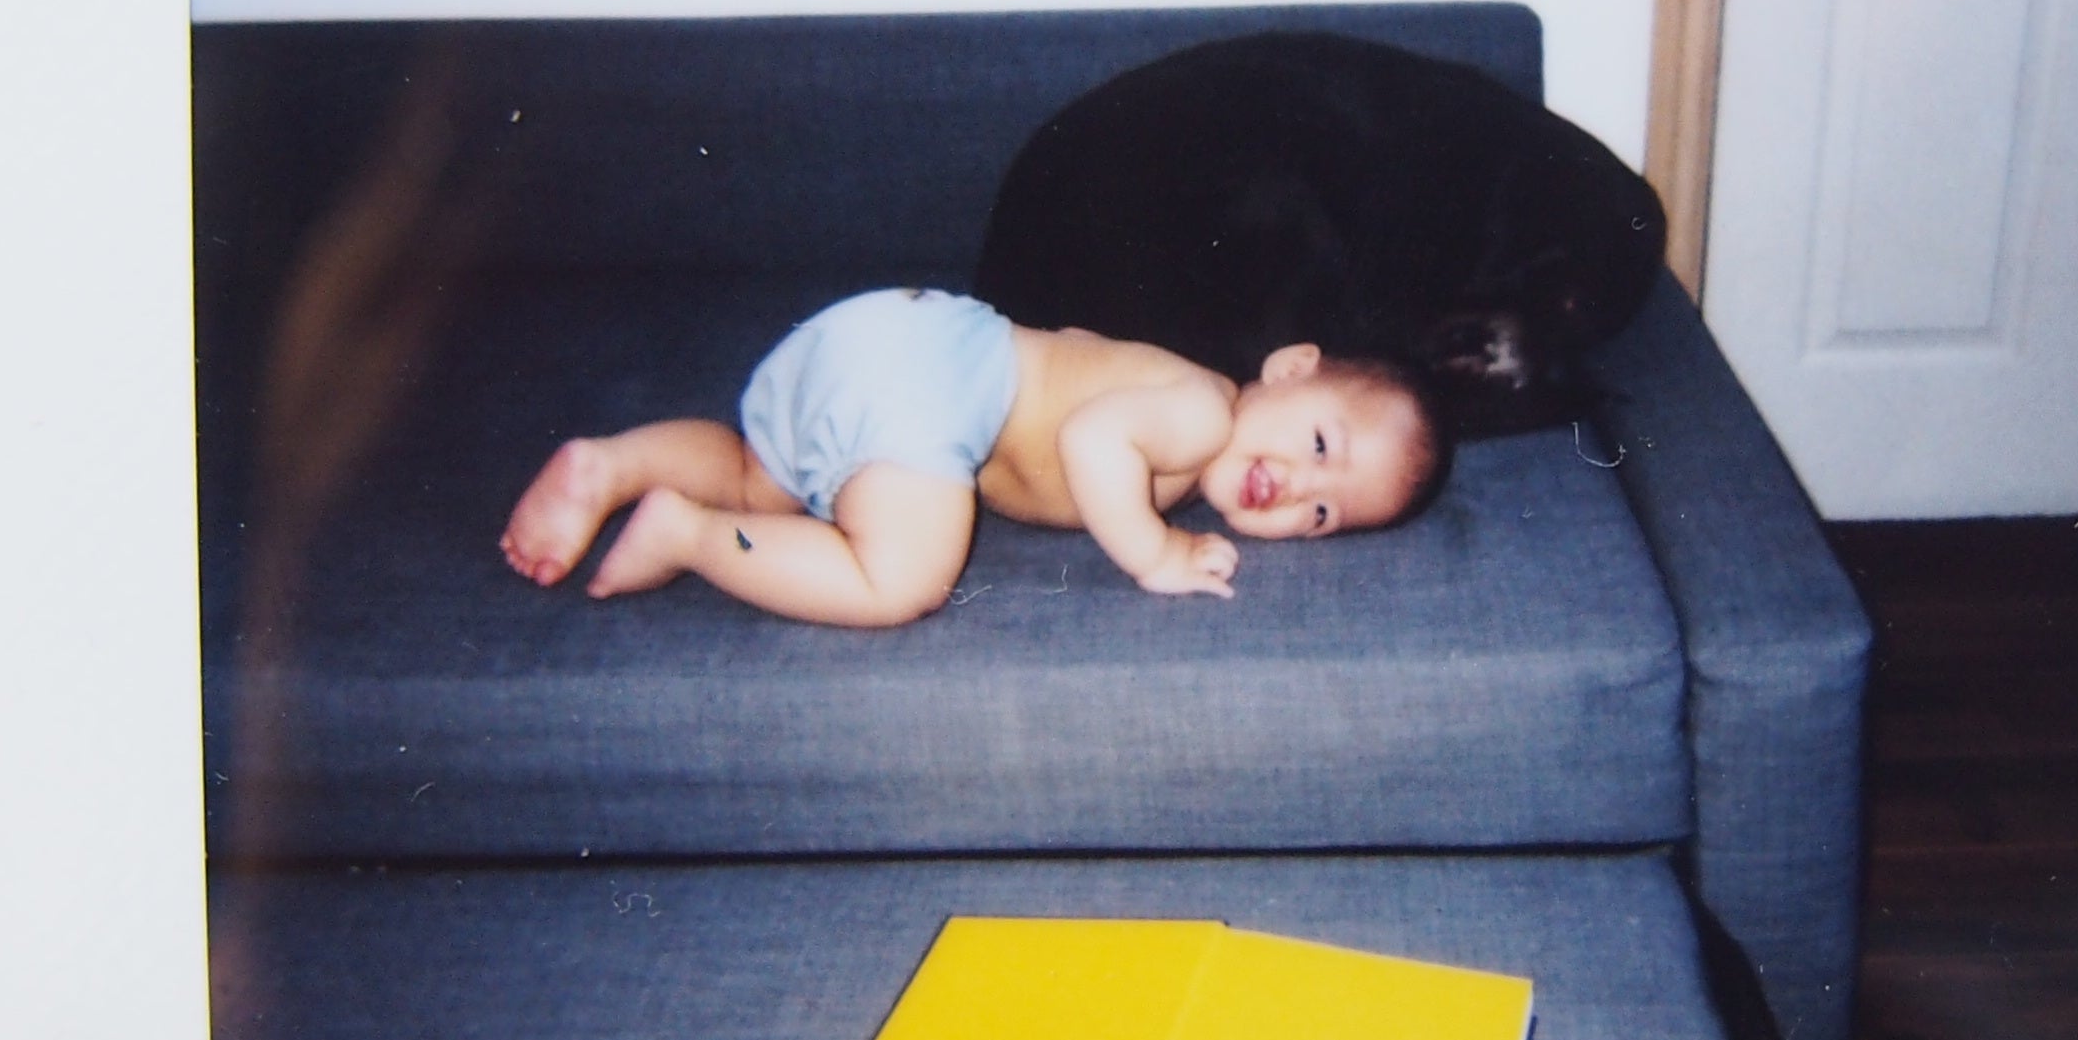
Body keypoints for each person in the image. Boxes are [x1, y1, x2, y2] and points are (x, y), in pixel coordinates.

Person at [496, 286, 1449, 627]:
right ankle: (694, 537)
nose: (1297, 489)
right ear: (1287, 370)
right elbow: (1089, 436)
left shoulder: (1180, 395)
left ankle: (612, 467)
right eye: (1319, 443)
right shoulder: (1200, 410)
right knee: (898, 580)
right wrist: (1154, 554)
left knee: (762, 475)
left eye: (1321, 513)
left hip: (892, 336)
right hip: (937, 382)